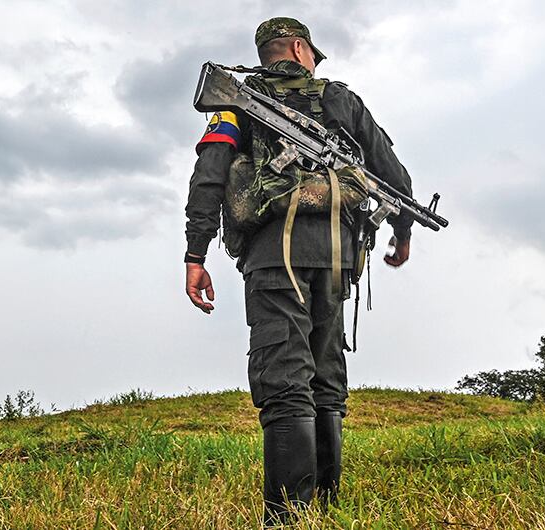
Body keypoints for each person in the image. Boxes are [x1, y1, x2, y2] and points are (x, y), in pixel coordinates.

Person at [183, 17, 415, 525]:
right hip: (336, 258)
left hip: (272, 260)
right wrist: (403, 231)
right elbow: (393, 174)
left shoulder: (235, 106)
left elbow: (209, 175)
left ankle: (290, 517)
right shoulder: (341, 101)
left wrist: (195, 254)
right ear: (298, 47)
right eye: (313, 53)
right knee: (325, 378)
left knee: (285, 377)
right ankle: (324, 509)